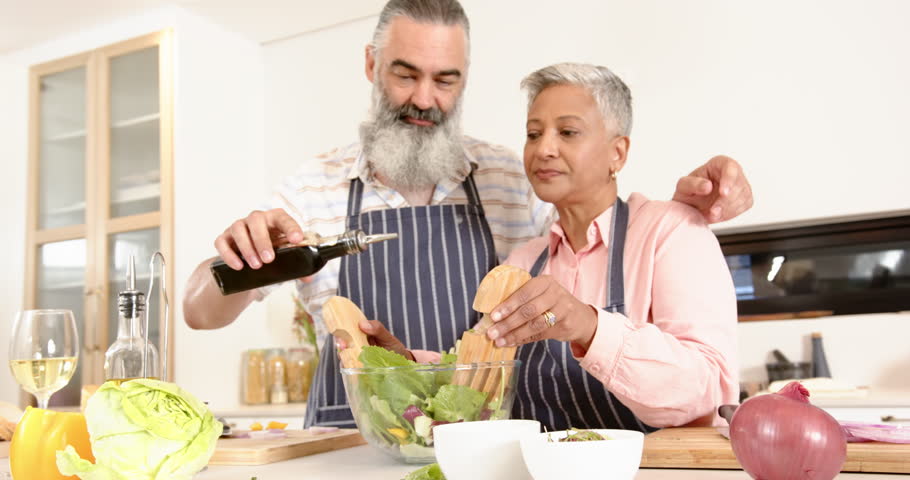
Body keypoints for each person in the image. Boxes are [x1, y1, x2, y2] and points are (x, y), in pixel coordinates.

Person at [182, 0, 750, 428]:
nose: (425, 98)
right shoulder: (312, 188)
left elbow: (597, 218)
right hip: (352, 447)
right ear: (371, 64)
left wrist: (682, 209)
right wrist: (246, 259)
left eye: (445, 79)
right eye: (406, 74)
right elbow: (199, 312)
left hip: (476, 452)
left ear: (464, 80)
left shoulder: (513, 181)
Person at [483, 62, 738, 431]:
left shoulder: (671, 231)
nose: (544, 149)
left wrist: (589, 327)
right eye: (533, 134)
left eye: (567, 131)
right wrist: (404, 366)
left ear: (617, 153)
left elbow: (709, 387)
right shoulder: (523, 262)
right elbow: (483, 374)